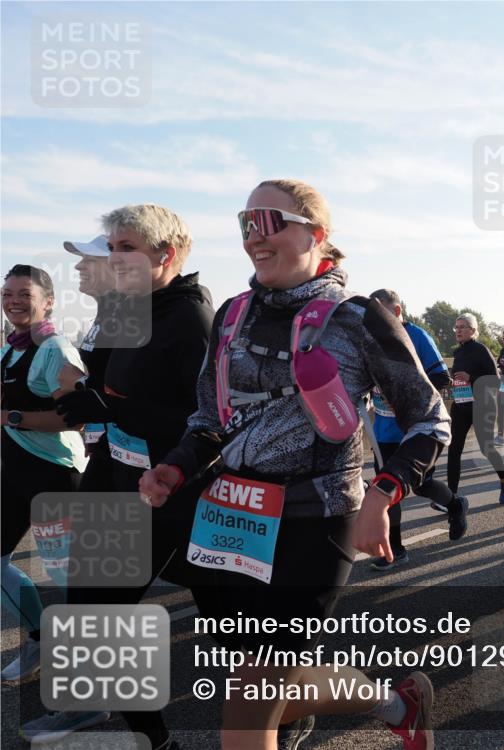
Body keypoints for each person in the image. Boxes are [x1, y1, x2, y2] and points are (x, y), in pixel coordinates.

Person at [139, 179, 445, 750]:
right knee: (263, 681)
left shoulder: (359, 318)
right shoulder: (232, 315)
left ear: (316, 234)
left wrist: (382, 495)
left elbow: (430, 420)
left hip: (316, 520)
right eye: (245, 223)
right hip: (235, 519)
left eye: (269, 221)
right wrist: (175, 467)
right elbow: (209, 418)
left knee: (249, 700)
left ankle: (388, 705)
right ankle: (398, 704)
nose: (254, 236)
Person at [23, 205, 215, 748]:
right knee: (93, 613)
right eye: (111, 248)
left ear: (165, 255)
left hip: (177, 496)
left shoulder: (191, 319)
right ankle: (153, 738)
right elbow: (106, 391)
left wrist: (112, 407)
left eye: (125, 248)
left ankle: (299, 711)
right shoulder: (131, 311)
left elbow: (210, 421)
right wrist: (93, 402)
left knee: (239, 636)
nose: (112, 259)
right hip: (120, 482)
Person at [1, 265, 87, 684]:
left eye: (25, 294)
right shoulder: (12, 346)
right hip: (15, 473)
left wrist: (10, 417)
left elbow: (76, 418)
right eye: (7, 293)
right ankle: (42, 639)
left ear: (48, 302)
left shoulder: (55, 348)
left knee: (67, 578)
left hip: (54, 475)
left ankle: (85, 673)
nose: (14, 301)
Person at [368, 288, 464, 572]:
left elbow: (441, 377)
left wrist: (405, 394)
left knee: (422, 486)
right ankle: (395, 550)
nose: (373, 320)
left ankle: (455, 505)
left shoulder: (417, 336)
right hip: (383, 429)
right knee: (384, 487)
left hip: (416, 429)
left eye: (379, 313)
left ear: (396, 312)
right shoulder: (369, 337)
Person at [448, 312, 504, 503]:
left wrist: (471, 378)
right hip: (461, 406)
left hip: (482, 406)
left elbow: (495, 381)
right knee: (454, 450)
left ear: (473, 330)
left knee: (486, 448)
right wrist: (453, 382)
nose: (458, 331)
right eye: (456, 327)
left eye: (462, 327)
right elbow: (460, 378)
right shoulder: (457, 352)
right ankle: (451, 497)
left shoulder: (481, 350)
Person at [63, 235, 117, 449]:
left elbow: (132, 387)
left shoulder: (129, 317)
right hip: (106, 444)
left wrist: (79, 382)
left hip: (125, 448)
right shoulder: (107, 311)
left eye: (90, 260)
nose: (79, 266)